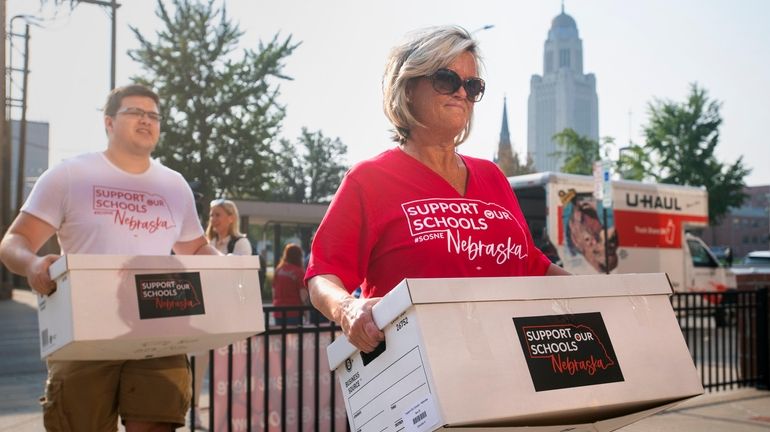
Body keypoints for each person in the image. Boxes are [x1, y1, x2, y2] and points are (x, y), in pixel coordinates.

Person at [305, 25, 570, 354]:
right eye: (447, 79)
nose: (462, 92)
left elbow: (533, 266)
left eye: (472, 86)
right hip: (416, 377)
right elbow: (322, 276)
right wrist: (348, 310)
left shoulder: (492, 176)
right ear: (409, 88)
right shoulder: (369, 179)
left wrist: (611, 297)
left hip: (510, 365)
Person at [0, 84, 220, 432]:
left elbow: (195, 249)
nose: (146, 120)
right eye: (135, 112)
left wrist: (229, 272)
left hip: (159, 330)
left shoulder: (174, 185)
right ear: (108, 122)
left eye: (153, 115)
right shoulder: (70, 174)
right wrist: (32, 264)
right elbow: (15, 240)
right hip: (84, 333)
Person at [192, 198, 252, 429]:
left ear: (230, 217)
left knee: (228, 367)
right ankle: (194, 411)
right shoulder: (207, 242)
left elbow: (240, 272)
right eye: (211, 215)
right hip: (205, 312)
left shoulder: (240, 242)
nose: (213, 219)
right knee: (198, 363)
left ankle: (229, 415)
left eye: (217, 214)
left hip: (229, 314)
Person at [272, 243, 309, 326]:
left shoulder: (278, 270)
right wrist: (306, 312)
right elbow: (303, 296)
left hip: (278, 310)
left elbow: (274, 292)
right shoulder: (299, 272)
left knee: (281, 337)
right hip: (293, 311)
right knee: (293, 337)